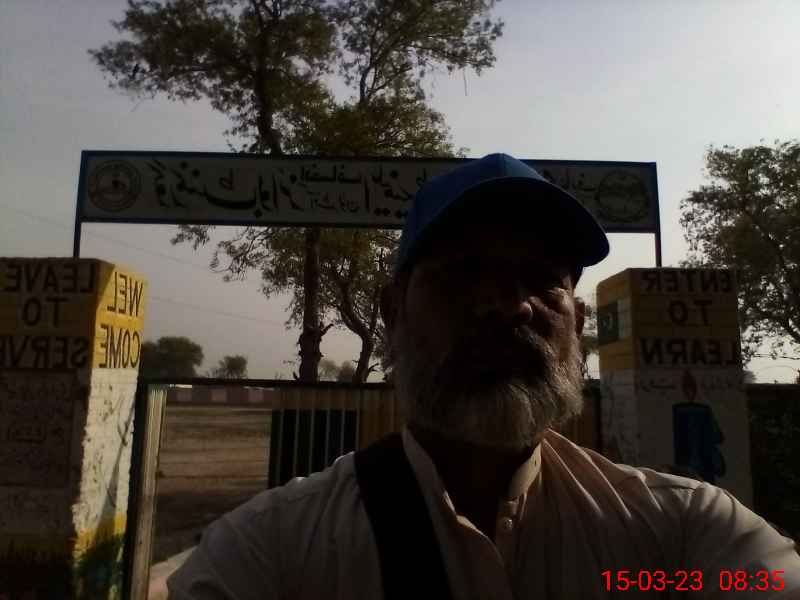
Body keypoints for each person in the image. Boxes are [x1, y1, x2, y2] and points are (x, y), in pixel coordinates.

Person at [168, 153, 800, 599]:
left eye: (540, 279)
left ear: (578, 324)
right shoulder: (272, 552)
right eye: (463, 275)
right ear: (393, 313)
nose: (509, 305)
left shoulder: (681, 533)